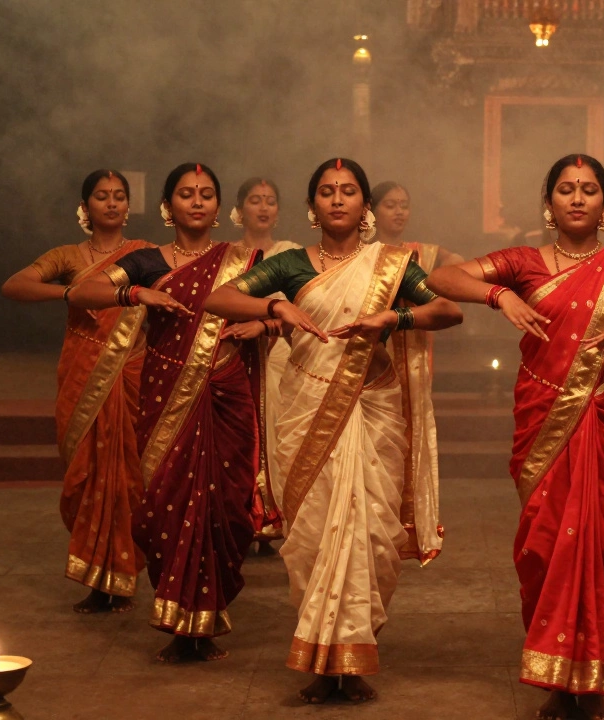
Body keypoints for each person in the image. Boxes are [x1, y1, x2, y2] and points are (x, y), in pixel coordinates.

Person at [427, 154, 604, 720]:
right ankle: (557, 678)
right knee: (545, 546)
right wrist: (500, 295)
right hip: (544, 422)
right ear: (549, 202)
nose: (578, 198)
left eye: (589, 190)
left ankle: (594, 671)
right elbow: (440, 277)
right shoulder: (523, 262)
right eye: (566, 189)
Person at [206, 158, 463, 703]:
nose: (338, 199)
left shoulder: (391, 266)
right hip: (308, 411)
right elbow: (218, 298)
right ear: (312, 205)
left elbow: (445, 309)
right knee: (316, 536)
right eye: (326, 191)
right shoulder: (292, 264)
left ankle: (353, 653)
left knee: (370, 534)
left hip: (373, 413)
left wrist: (393, 320)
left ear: (365, 207)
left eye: (349, 191)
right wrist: (276, 304)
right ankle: (323, 662)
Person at [69, 162, 264, 663]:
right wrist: (136, 293)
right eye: (185, 194)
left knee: (225, 508)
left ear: (221, 208)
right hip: (165, 397)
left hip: (226, 394)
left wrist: (262, 326)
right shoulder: (148, 261)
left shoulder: (245, 260)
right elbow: (81, 292)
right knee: (167, 503)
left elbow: (280, 304)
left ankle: (207, 617)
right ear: (167, 205)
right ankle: (181, 623)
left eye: (205, 194)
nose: (196, 202)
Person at [1, 169, 150, 613]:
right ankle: (94, 576)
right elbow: (15, 285)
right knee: (87, 474)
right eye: (101, 196)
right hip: (84, 373)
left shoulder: (144, 255)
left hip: (129, 373)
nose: (111, 203)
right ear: (85, 208)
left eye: (119, 196)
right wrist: (71, 293)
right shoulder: (69, 255)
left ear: (128, 205)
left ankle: (120, 577)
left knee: (126, 474)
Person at [371, 181, 464, 560]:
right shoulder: (363, 253)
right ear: (372, 210)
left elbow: (460, 266)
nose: (398, 212)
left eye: (404, 205)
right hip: (373, 355)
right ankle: (376, 518)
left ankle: (409, 523)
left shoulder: (424, 252)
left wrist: (433, 281)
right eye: (390, 205)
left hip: (412, 355)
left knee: (413, 431)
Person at [231, 176, 300, 554]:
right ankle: (240, 520)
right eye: (255, 201)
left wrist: (266, 325)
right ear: (239, 211)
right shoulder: (223, 255)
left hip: (278, 356)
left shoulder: (290, 254)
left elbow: (303, 310)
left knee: (279, 436)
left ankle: (273, 521)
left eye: (270, 201)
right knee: (237, 438)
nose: (263, 208)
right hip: (233, 355)